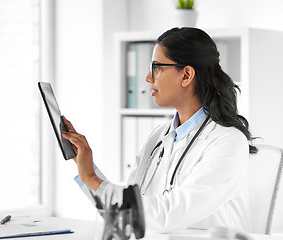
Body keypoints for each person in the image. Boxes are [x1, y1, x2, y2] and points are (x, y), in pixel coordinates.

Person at [62, 27, 257, 233]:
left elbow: (166, 217)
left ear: (187, 75)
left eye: (157, 67)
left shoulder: (228, 141)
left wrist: (92, 180)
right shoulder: (159, 136)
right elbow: (126, 214)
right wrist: (84, 165)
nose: (148, 77)